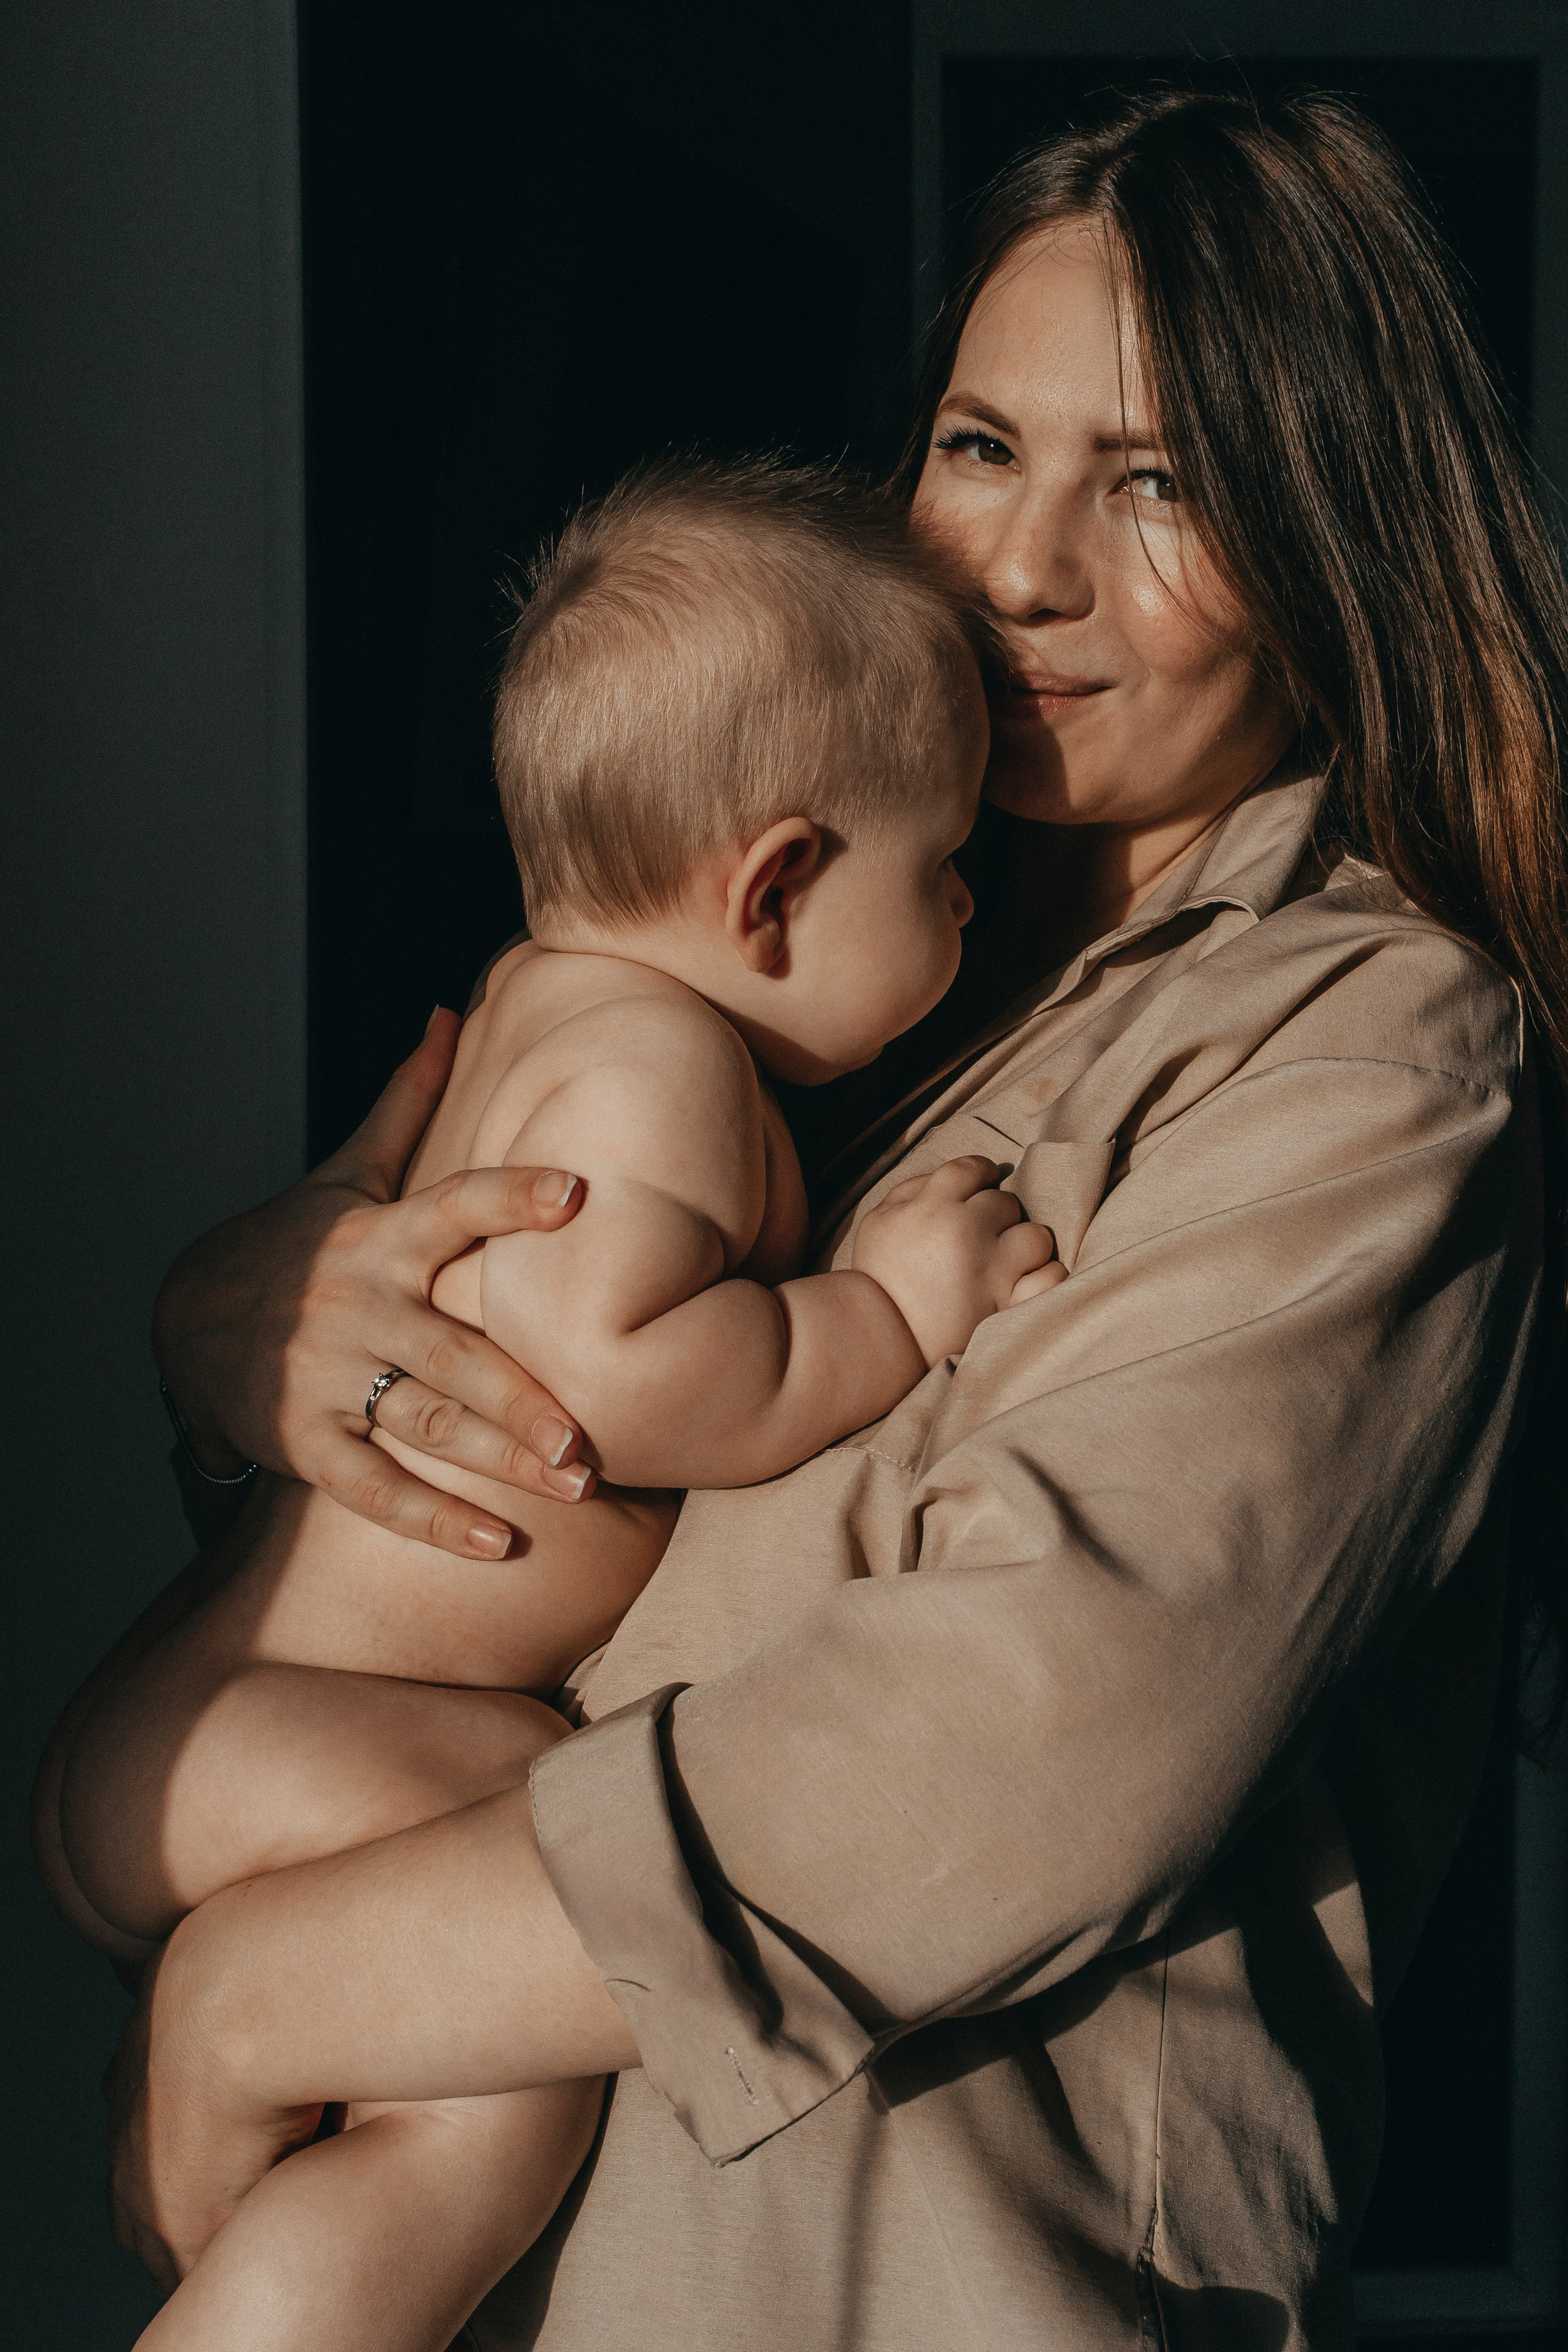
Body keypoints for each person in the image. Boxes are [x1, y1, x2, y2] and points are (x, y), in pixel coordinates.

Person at [86, 86, 1568, 2352]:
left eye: (1156, 482)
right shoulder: (821, 964)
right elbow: (477, 1470)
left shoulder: (1366, 1051)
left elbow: (1025, 1733)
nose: (1022, 567)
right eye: (981, 445)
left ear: (1334, 530)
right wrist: (250, 1343)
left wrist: (276, 1983)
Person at [36, 464, 1065, 2351]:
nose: (971, 902)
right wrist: (887, 1312)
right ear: (775, 887)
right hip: (284, 1739)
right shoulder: (655, 1072)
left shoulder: (545, 1001)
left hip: (222, 1720)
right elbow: (619, 1370)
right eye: (939, 871)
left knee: (454, 2043)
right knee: (518, 2003)